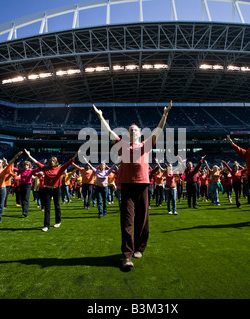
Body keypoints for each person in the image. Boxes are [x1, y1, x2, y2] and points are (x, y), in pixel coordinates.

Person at [92, 101, 172, 268]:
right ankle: (127, 255)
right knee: (127, 220)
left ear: (140, 133)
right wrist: (100, 116)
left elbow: (158, 130)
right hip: (127, 186)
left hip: (143, 185)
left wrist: (164, 115)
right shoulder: (122, 145)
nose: (133, 130)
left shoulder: (146, 145)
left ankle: (139, 248)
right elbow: (109, 131)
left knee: (143, 219)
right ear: (128, 134)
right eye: (130, 129)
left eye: (135, 129)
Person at [24, 150, 77, 232]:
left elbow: (69, 162)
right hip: (47, 189)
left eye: (54, 160)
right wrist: (29, 156)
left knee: (57, 206)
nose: (52, 162)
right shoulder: (45, 169)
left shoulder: (59, 169)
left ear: (56, 162)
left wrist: (76, 154)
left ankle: (58, 221)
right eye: (51, 160)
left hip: (56, 189)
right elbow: (37, 162)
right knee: (47, 208)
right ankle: (46, 225)